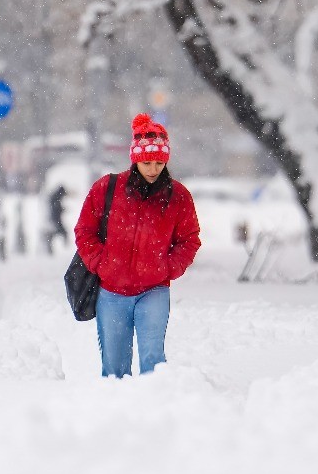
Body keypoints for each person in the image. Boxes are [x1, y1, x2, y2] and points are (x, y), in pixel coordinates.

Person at [74, 113, 201, 378]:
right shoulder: (106, 188)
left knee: (154, 362)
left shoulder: (178, 197)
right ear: (135, 160)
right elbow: (84, 231)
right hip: (111, 291)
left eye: (158, 162)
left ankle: (153, 413)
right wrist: (102, 263)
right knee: (114, 367)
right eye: (146, 163)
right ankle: (118, 414)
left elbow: (189, 239)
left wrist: (167, 268)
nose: (153, 169)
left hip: (153, 290)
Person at [45, 185, 68, 254]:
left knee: (57, 231)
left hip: (54, 218)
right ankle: (50, 246)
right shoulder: (56, 198)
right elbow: (55, 208)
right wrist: (61, 210)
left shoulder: (55, 197)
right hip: (55, 218)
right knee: (59, 231)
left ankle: (49, 246)